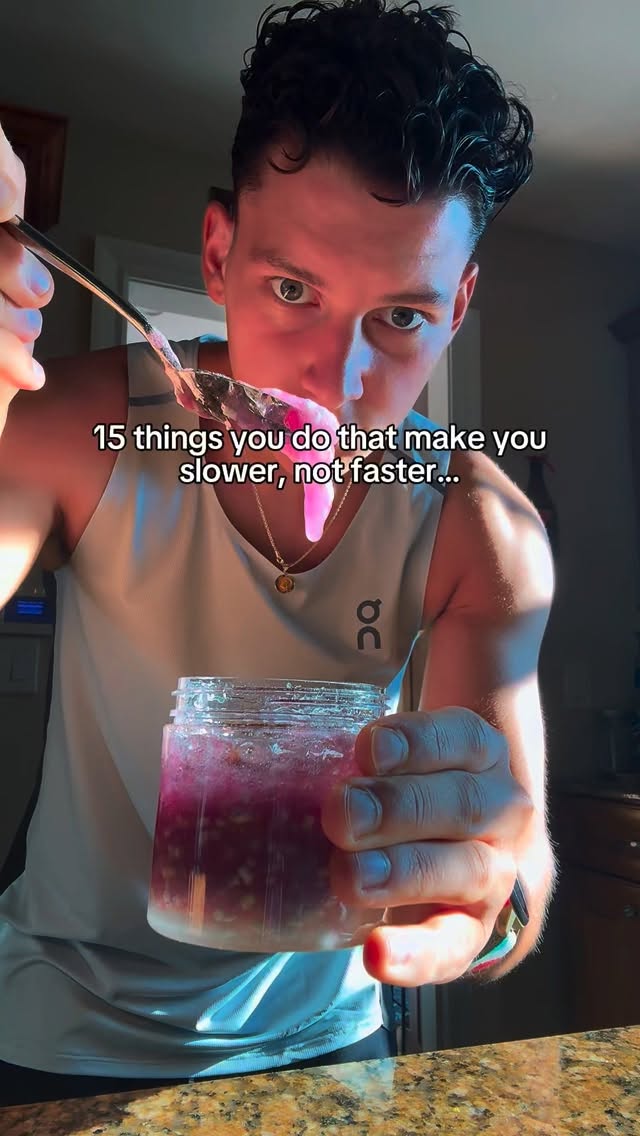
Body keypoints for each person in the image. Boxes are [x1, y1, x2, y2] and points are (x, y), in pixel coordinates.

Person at [0, 0, 556, 1108]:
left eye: (400, 318)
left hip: (330, 1036)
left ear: (458, 307)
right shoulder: (75, 430)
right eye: (292, 290)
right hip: (58, 1028)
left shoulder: (478, 528)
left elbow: (515, 848)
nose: (334, 382)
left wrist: (491, 905)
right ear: (218, 255)